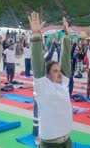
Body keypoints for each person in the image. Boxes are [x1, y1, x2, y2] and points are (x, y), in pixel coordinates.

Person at [29, 12, 72, 147]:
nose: (59, 73)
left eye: (59, 71)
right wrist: (36, 36)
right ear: (46, 75)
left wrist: (66, 37)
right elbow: (37, 65)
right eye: (55, 71)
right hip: (50, 144)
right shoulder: (42, 87)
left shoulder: (63, 84)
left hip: (67, 140)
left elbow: (65, 61)